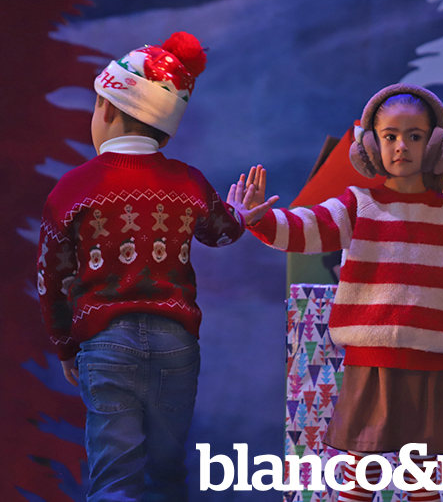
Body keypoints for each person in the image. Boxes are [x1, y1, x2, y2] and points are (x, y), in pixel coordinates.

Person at [235, 84, 443, 501]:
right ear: (371, 145)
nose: (401, 146)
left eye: (414, 136)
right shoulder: (359, 204)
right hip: (369, 360)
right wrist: (260, 220)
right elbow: (306, 229)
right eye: (390, 136)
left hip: (429, 361)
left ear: (436, 145)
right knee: (362, 463)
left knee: (422, 469)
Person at [37, 32, 275, 501]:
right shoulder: (187, 182)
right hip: (176, 345)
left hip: (105, 345)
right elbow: (220, 232)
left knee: (115, 478)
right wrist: (242, 215)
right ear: (166, 132)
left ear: (105, 109)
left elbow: (51, 280)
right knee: (166, 473)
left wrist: (65, 345)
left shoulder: (72, 190)